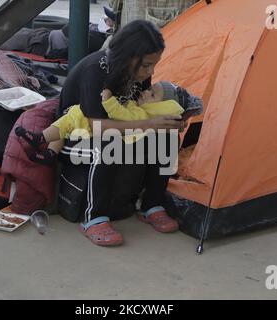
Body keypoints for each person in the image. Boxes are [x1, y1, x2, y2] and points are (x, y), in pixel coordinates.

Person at [55, 20, 185, 247]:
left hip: (118, 131)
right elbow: (96, 126)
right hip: (75, 136)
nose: (150, 72)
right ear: (127, 56)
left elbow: (139, 111)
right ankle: (93, 218)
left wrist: (169, 121)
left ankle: (152, 205)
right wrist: (149, 125)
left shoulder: (138, 75)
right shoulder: (96, 70)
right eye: (146, 65)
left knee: (167, 136)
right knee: (108, 141)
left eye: (154, 65)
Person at [15, 81, 203, 164]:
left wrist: (108, 99)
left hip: (92, 130)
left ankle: (41, 139)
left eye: (152, 94)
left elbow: (118, 113)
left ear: (163, 108)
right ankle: (48, 152)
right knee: (64, 123)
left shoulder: (141, 116)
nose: (145, 91)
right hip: (91, 124)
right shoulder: (143, 111)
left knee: (65, 124)